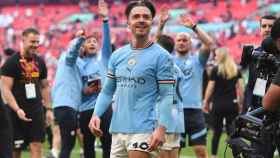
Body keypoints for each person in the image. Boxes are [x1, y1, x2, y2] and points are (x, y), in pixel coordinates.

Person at [89, 1, 175, 158]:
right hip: (117, 129)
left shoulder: (162, 57)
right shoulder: (117, 55)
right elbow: (108, 91)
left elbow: (166, 96)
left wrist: (162, 129)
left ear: (151, 22)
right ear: (128, 22)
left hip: (145, 129)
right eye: (136, 16)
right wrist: (96, 114)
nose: (141, 20)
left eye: (146, 17)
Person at [1, 28, 53, 158]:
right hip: (15, 113)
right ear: (23, 40)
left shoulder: (40, 61)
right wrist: (17, 109)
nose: (35, 45)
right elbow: (5, 89)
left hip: (36, 111)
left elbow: (45, 86)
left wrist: (48, 109)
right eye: (32, 42)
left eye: (37, 42)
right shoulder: (11, 62)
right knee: (15, 150)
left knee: (36, 146)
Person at [172, 15, 214, 158]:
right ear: (175, 43)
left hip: (195, 112)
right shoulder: (168, 61)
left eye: (185, 40)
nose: (182, 43)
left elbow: (209, 44)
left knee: (201, 153)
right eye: (179, 40)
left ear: (190, 44)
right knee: (173, 153)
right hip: (174, 112)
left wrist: (194, 27)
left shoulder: (198, 60)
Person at [77, 0, 112, 158]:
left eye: (94, 42)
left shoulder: (104, 58)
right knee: (88, 144)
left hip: (104, 107)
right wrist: (86, 90)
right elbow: (77, 88)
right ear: (83, 46)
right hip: (86, 108)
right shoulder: (79, 63)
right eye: (88, 41)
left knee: (108, 142)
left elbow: (107, 42)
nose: (92, 43)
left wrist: (105, 20)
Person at [203, 47, 244, 158]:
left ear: (221, 56)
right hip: (232, 104)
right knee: (233, 133)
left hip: (218, 104)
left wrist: (206, 101)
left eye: (216, 55)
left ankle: (213, 156)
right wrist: (240, 104)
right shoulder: (236, 70)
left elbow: (210, 88)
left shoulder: (215, 70)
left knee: (216, 132)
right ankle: (237, 155)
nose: (215, 57)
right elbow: (241, 89)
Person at [51, 30, 85, 158]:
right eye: (81, 47)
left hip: (65, 105)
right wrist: (79, 40)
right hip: (66, 106)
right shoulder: (68, 59)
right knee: (68, 143)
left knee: (68, 143)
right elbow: (72, 52)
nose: (82, 49)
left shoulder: (73, 65)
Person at [240, 15, 276, 111]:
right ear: (260, 30)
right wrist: (248, 106)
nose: (267, 29)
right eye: (264, 26)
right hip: (256, 109)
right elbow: (251, 85)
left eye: (270, 26)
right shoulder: (254, 54)